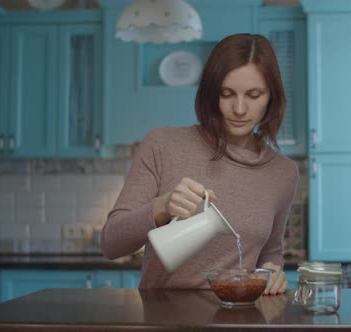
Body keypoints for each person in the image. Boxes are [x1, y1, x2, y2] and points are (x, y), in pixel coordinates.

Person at [101, 33, 299, 295]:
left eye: (253, 95)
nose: (239, 109)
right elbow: (111, 244)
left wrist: (273, 272)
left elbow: (270, 252)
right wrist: (161, 207)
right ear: (210, 94)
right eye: (227, 94)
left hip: (240, 320)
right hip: (163, 322)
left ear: (271, 98)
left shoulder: (283, 173)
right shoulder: (162, 145)